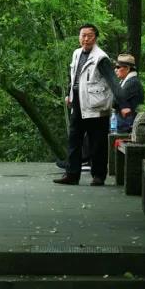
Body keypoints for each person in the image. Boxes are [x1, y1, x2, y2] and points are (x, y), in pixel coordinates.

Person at [54, 24, 122, 186]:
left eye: (89, 36)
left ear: (95, 38)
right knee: (74, 138)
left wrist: (122, 103)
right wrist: (70, 94)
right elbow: (74, 76)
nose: (85, 39)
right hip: (78, 101)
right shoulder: (76, 53)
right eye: (83, 35)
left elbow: (113, 81)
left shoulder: (101, 58)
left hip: (96, 105)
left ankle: (98, 176)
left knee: (97, 141)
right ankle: (72, 174)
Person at [114, 53, 145, 132]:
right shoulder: (125, 82)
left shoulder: (132, 83)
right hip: (125, 125)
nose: (115, 70)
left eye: (118, 67)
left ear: (127, 68)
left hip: (129, 128)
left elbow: (114, 102)